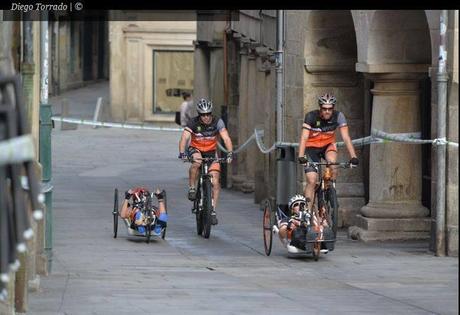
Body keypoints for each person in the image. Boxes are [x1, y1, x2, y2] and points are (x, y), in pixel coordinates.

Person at [297, 93, 359, 207]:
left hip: (328, 146)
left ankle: (330, 191)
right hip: (311, 148)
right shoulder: (311, 116)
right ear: (320, 108)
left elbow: (346, 137)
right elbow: (304, 137)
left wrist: (353, 157)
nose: (327, 111)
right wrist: (301, 156)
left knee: (333, 166)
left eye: (330, 109)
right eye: (324, 109)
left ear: (333, 108)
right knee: (312, 180)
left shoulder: (339, 116)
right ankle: (307, 212)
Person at [178, 98, 233, 225]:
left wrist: (230, 153)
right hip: (196, 149)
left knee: (215, 182)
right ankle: (192, 188)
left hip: (211, 152)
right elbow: (184, 138)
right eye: (203, 115)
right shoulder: (193, 122)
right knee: (196, 163)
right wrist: (182, 153)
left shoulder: (218, 122)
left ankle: (212, 210)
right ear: (199, 114)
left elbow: (226, 138)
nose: (206, 117)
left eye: (208, 114)